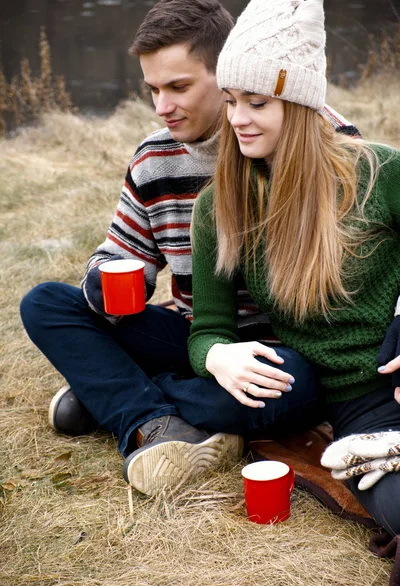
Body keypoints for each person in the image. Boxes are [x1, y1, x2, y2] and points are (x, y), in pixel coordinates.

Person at [20, 0, 361, 496]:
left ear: (227, 72)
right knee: (45, 303)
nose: (162, 106)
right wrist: (109, 278)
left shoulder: (312, 133)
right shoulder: (154, 158)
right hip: (196, 340)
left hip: (287, 352)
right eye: (153, 90)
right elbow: (116, 253)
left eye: (178, 87)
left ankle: (111, 394)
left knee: (280, 396)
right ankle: (152, 422)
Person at [188, 0, 400, 535]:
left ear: (300, 105)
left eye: (256, 102)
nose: (236, 118)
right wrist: (216, 356)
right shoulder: (220, 206)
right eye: (232, 100)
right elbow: (207, 328)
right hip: (358, 408)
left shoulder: (379, 173)